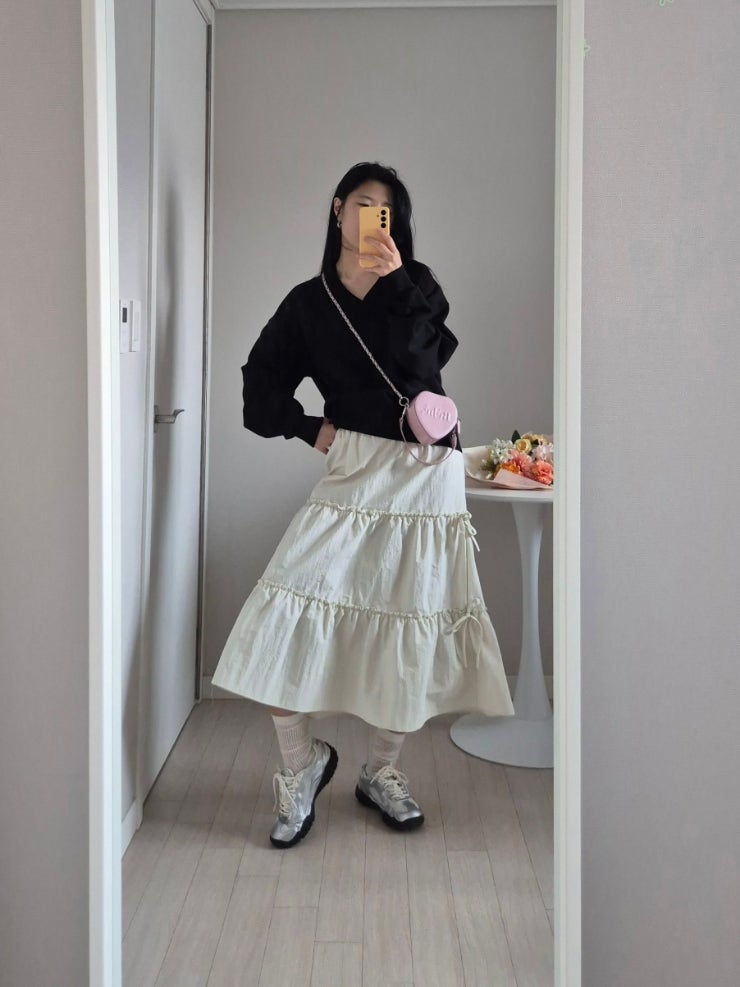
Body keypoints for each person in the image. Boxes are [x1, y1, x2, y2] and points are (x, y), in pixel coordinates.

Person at [211, 162, 514, 849]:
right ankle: (302, 764)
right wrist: (309, 428)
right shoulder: (307, 304)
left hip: (424, 470)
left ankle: (381, 771)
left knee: (409, 618)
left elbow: (425, 368)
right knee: (282, 608)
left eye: (389, 209)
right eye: (366, 203)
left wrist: (400, 282)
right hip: (354, 466)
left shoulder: (418, 285)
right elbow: (259, 386)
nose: (377, 217)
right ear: (337, 208)